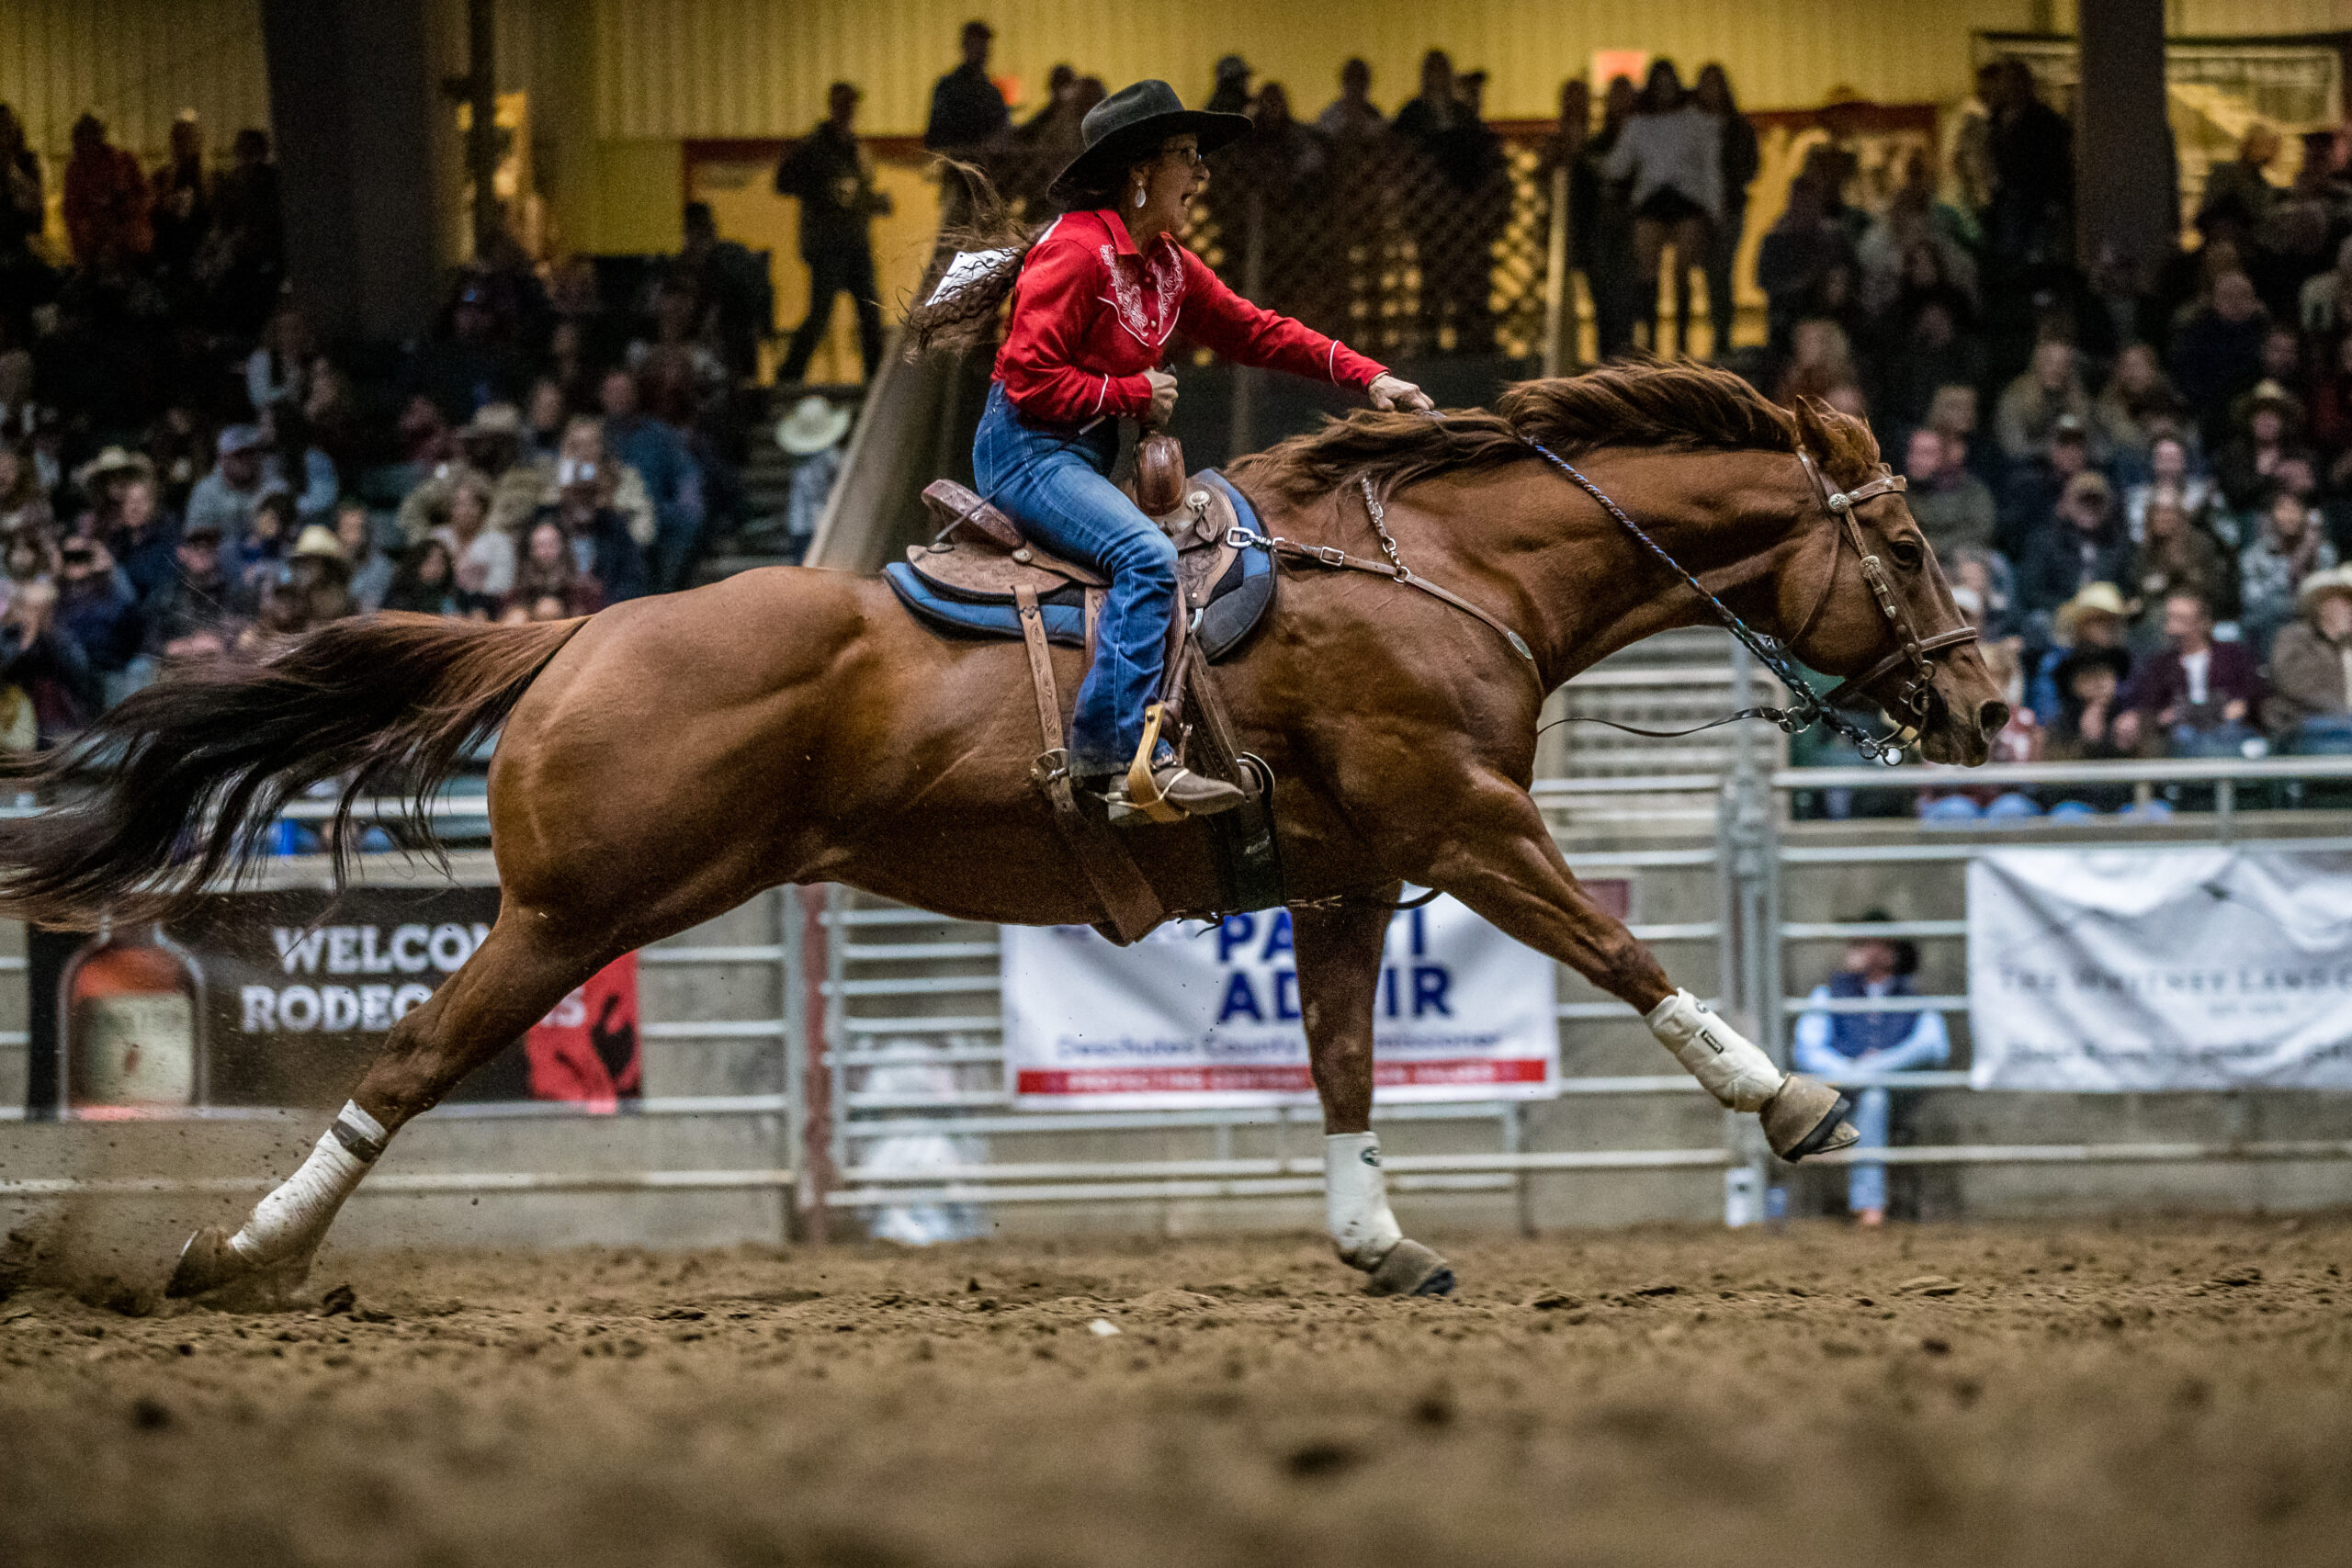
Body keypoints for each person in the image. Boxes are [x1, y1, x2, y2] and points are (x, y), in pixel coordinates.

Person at [904, 79, 1430, 817]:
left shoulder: (1167, 263)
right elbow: (1027, 382)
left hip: (1079, 455)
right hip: (1026, 453)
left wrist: (1368, 376)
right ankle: (1112, 763)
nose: (1203, 172)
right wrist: (1133, 396)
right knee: (1147, 560)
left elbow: (1257, 329)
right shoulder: (1078, 251)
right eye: (1189, 155)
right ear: (1140, 171)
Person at [1791, 915, 1949, 1227]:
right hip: (1838, 1093)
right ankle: (1870, 1207)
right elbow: (1806, 1049)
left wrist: (1872, 1069)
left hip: (1895, 1096)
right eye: (1862, 942)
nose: (1868, 950)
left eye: (1877, 942)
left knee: (1874, 1096)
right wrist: (1850, 1072)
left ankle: (1869, 1207)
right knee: (1870, 1094)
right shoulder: (1829, 993)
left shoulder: (1913, 996)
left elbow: (1933, 1046)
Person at [775, 84, 891, 384]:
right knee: (820, 316)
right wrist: (822, 191)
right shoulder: (813, 146)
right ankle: (789, 375)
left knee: (869, 315)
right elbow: (785, 181)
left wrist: (874, 202)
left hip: (855, 243)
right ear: (833, 106)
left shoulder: (856, 149)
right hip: (827, 245)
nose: (848, 111)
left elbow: (856, 195)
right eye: (843, 104)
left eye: (851, 105)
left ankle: (875, 379)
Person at [1601, 61, 1718, 358]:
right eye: (1659, 85)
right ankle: (1649, 339)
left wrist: (1711, 209)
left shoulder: (1695, 121)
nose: (1665, 92)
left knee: (1681, 273)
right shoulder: (1639, 125)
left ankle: (1681, 342)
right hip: (1652, 199)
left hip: (1686, 200)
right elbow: (1617, 165)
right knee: (1647, 273)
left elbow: (1709, 169)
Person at [2115, 592, 2262, 756]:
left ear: (2202, 622)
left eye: (2181, 619)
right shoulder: (2160, 665)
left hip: (2229, 732)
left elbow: (2252, 693)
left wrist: (2240, 706)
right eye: (2170, 619)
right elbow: (2150, 706)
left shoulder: (2233, 655)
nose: (2173, 628)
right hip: (2179, 737)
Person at [599, 368, 702, 593]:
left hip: (653, 518)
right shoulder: (595, 434)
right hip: (604, 520)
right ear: (602, 396)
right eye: (613, 391)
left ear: (635, 395)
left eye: (624, 391)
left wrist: (677, 511)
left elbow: (685, 476)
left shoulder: (657, 434)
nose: (619, 397)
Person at [396, 401, 543, 543]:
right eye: (485, 438)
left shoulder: (525, 480)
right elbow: (414, 506)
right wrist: (426, 547)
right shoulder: (458, 471)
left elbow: (497, 526)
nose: (490, 446)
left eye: (499, 440)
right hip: (452, 555)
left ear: (512, 444)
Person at [1692, 64, 1757, 360]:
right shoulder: (1691, 125)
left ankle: (1722, 337)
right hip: (1699, 212)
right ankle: (1715, 335)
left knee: (1722, 271)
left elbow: (1749, 166)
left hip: (1729, 209)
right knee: (1710, 274)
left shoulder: (1737, 127)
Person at [2019, 471, 2132, 619]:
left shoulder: (2118, 546)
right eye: (2083, 501)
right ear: (2068, 504)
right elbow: (2032, 592)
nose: (2090, 508)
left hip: (2105, 618)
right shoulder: (2045, 541)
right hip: (2057, 616)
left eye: (2096, 502)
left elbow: (2127, 588)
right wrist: (2070, 609)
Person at [2237, 488, 2337, 655]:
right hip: (2271, 633)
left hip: (2315, 633)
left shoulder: (2324, 554)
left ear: (2306, 514)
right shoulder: (2254, 556)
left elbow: (2327, 599)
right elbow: (2254, 604)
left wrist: (2310, 552)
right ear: (2271, 516)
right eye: (2282, 509)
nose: (2289, 516)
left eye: (2295, 509)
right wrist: (2294, 568)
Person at [2265, 565, 2352, 746]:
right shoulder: (2296, 637)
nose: (2349, 608)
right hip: (2306, 724)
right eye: (2343, 601)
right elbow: (2298, 685)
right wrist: (2344, 714)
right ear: (2322, 605)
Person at [2130, 492, 2230, 645]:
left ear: (2180, 515)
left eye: (2168, 511)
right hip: (2156, 619)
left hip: (2196, 614)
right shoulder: (2145, 552)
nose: (2163, 517)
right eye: (2157, 512)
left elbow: (2214, 588)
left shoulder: (2200, 545)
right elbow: (2141, 588)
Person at [61, 113, 151, 276]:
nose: (88, 142)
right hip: (94, 251)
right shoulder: (76, 171)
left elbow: (142, 198)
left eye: (92, 135)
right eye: (83, 137)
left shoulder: (123, 162)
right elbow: (73, 213)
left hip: (126, 247)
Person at [1902, 427, 1996, 559]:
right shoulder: (1901, 493)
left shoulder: (1973, 491)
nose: (1917, 461)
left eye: (1926, 453)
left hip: (1962, 556)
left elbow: (1981, 531)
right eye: (1913, 452)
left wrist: (1937, 546)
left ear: (1944, 456)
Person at [924, 21, 1011, 161]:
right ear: (965, 47)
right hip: (957, 165)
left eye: (984, 46)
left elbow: (1002, 132)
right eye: (977, 45)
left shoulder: (991, 92)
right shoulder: (949, 88)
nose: (983, 51)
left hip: (986, 166)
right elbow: (937, 138)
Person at [185, 425, 273, 547]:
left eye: (251, 453)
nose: (246, 460)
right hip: (219, 560)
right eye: (239, 455)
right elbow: (195, 538)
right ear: (222, 458)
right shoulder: (206, 491)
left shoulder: (271, 484)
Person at [381, 536, 461, 617]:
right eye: (430, 562)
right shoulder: (399, 595)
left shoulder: (446, 600)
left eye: (441, 563)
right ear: (417, 564)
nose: (435, 568)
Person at [1316, 58, 1384, 142]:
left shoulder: (1376, 117)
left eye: (1360, 79)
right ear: (1344, 82)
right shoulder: (1329, 117)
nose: (1356, 85)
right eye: (1351, 79)